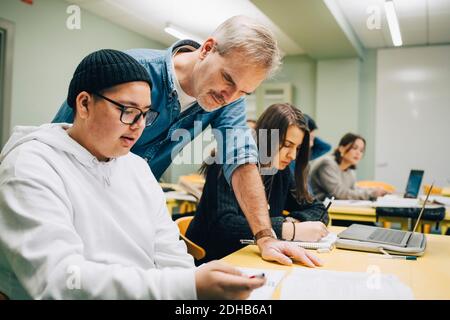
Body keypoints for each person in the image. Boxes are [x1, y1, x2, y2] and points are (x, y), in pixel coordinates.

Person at [0, 49, 265, 300]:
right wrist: (187, 286)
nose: (138, 127)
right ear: (84, 104)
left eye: (145, 114)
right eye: (127, 111)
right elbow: (60, 281)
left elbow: (169, 255)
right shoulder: (30, 166)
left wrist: (191, 289)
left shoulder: (136, 167)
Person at [52, 15, 316, 266]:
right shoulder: (134, 71)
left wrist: (265, 236)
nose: (230, 96)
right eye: (228, 79)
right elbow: (61, 138)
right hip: (75, 197)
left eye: (244, 91)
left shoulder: (229, 99)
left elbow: (242, 160)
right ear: (207, 48)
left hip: (132, 203)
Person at [186, 103, 328, 264]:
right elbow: (222, 226)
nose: (293, 155)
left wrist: (292, 222)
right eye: (287, 145)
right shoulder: (225, 162)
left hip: (251, 255)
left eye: (298, 147)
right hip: (213, 258)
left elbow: (318, 209)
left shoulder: (280, 170)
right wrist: (288, 230)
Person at [310, 133, 388, 201]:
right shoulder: (327, 164)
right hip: (316, 210)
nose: (358, 153)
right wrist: (371, 193)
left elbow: (353, 190)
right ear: (341, 148)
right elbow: (339, 193)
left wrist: (374, 190)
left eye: (361, 150)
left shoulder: (350, 171)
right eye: (354, 148)